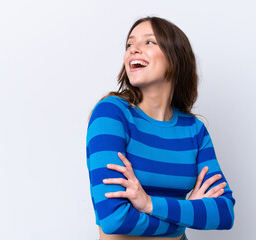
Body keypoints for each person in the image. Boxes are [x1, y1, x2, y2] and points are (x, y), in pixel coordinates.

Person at [86, 16, 235, 240]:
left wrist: (148, 204)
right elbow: (113, 219)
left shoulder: (194, 129)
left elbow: (224, 213)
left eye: (149, 42)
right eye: (129, 44)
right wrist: (184, 217)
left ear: (175, 58)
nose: (134, 49)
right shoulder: (112, 113)